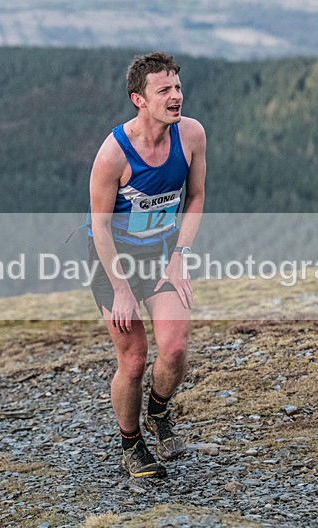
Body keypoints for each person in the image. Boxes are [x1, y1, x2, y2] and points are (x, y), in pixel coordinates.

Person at [87, 51, 206, 479]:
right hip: (112, 260)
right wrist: (120, 289)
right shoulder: (113, 154)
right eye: (164, 91)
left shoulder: (191, 135)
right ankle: (131, 444)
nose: (176, 97)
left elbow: (195, 199)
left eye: (177, 87)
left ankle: (158, 412)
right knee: (134, 360)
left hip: (161, 254)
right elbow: (100, 229)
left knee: (174, 350)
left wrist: (180, 259)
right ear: (139, 99)